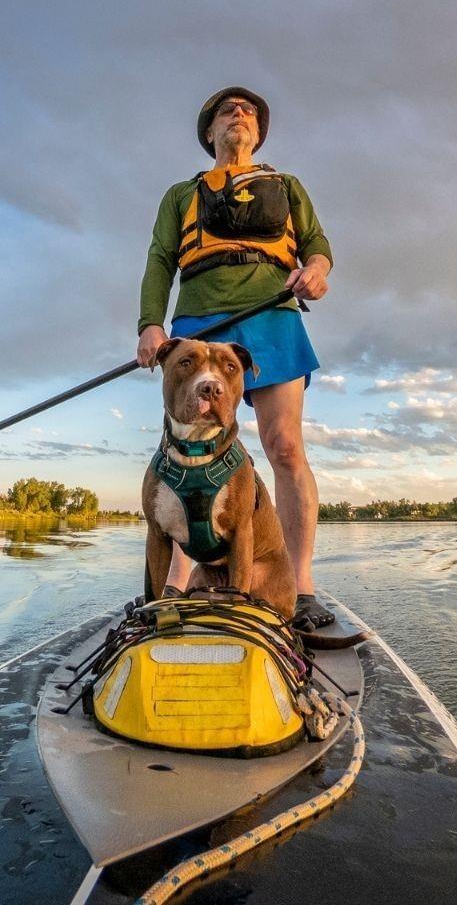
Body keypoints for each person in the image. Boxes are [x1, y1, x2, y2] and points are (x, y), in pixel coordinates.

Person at [135, 86, 335, 633]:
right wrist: (151, 322)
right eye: (228, 110)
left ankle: (300, 587)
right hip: (199, 319)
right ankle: (174, 587)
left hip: (272, 315)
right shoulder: (181, 194)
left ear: (259, 132)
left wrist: (316, 271)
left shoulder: (287, 185)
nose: (239, 115)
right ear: (210, 131)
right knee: (185, 448)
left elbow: (317, 246)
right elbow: (160, 259)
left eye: (248, 111)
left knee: (284, 446)